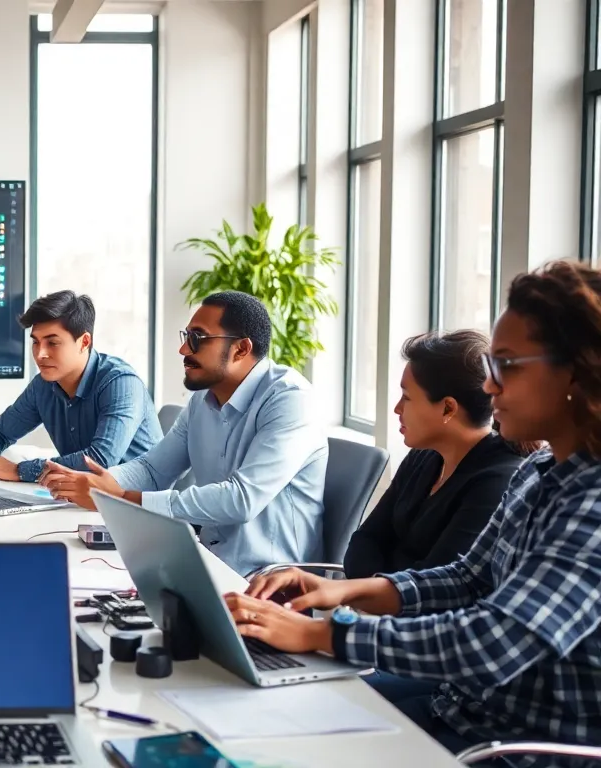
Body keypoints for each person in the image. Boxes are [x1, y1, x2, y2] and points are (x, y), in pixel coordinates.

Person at [226, 261, 601, 760]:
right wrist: (343, 588)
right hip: (462, 708)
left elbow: (495, 642)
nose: (490, 388)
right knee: (271, 721)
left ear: (577, 369)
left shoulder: (591, 504)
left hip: (513, 747)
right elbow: (469, 577)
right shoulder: (538, 472)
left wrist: (323, 633)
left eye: (506, 366)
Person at [41, 290, 327, 576]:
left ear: (241, 349)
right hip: (209, 562)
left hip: (270, 583)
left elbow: (241, 500)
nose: (183, 350)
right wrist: (98, 484)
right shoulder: (202, 400)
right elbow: (154, 470)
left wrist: (123, 498)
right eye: (186, 337)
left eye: (197, 339)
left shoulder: (290, 399)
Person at [343, 331, 525, 578]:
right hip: (381, 609)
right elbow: (365, 539)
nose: (397, 408)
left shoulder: (498, 481)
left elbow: (437, 581)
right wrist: (370, 595)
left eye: (406, 397)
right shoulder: (423, 455)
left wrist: (370, 593)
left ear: (448, 407)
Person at [0, 290, 161, 483]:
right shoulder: (43, 386)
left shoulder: (121, 383)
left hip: (137, 503)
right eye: (36, 342)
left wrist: (19, 470)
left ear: (84, 342)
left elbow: (100, 460)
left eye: (53, 343)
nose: (40, 354)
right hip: (83, 500)